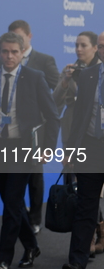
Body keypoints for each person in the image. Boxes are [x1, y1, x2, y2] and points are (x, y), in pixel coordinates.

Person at [0, 32, 59, 269]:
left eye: (14, 52)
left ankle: (3, 259)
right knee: (12, 202)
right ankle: (32, 246)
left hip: (24, 150)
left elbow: (53, 117)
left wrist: (47, 148)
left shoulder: (35, 77)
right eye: (5, 51)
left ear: (23, 52)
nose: (9, 56)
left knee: (12, 204)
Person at [5, 20, 59, 234]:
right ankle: (18, 219)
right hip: (11, 130)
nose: (15, 42)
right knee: (11, 178)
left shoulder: (44, 60)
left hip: (36, 130)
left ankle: (35, 219)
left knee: (35, 177)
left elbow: (55, 84)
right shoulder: (7, 59)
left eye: (19, 37)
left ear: (29, 36)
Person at [62, 31, 104, 269]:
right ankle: (76, 262)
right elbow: (79, 116)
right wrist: (70, 149)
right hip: (91, 148)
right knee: (85, 207)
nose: (101, 50)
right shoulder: (88, 75)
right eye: (99, 47)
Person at [54, 31, 100, 149]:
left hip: (95, 128)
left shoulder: (101, 71)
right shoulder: (69, 70)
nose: (78, 49)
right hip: (71, 128)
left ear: (95, 48)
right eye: (76, 46)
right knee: (70, 165)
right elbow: (55, 101)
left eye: (83, 46)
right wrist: (65, 81)